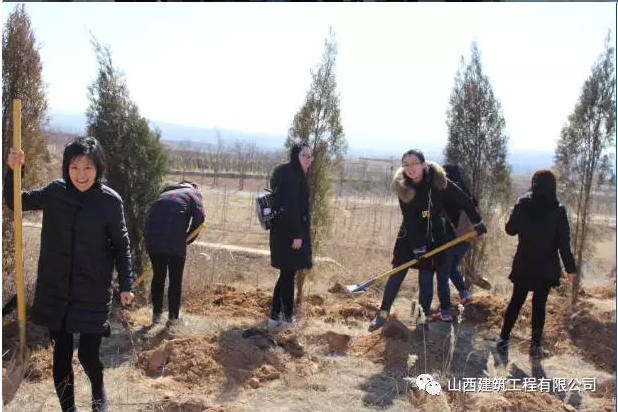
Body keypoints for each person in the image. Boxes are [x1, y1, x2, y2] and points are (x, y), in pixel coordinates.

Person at [4, 136, 134, 412]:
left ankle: (100, 403)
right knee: (61, 355)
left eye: (87, 168)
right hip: (56, 290)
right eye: (74, 168)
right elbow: (16, 202)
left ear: (98, 168)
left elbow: (122, 247)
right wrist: (14, 170)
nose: (81, 175)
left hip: (93, 291)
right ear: (66, 168)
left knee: (88, 356)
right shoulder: (55, 193)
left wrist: (126, 284)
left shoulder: (110, 202)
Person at [368, 149, 486, 332]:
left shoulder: (439, 181)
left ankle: (422, 320)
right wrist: (417, 248)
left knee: (426, 277)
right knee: (397, 273)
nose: (410, 168)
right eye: (406, 164)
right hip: (410, 235)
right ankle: (383, 314)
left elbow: (463, 199)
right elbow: (410, 219)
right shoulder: (404, 187)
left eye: (414, 163)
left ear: (423, 164)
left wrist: (478, 221)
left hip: (435, 234)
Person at [497, 169, 576, 360]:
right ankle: (535, 347)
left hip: (524, 263)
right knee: (539, 305)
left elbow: (510, 230)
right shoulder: (558, 210)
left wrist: (513, 213)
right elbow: (563, 243)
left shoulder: (523, 204)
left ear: (534, 184)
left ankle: (503, 340)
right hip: (546, 267)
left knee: (516, 301)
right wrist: (570, 269)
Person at [144, 180, 205, 325]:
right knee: (175, 280)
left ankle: (156, 316)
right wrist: (186, 239)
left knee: (158, 276)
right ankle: (173, 319)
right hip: (174, 242)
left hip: (152, 239)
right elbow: (200, 218)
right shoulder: (193, 193)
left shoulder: (165, 193)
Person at [267, 142, 313, 329]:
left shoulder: (291, 173)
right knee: (288, 276)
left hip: (282, 232)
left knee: (286, 274)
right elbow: (291, 209)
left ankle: (273, 318)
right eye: (304, 155)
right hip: (289, 234)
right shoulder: (293, 178)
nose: (308, 159)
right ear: (296, 156)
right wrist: (297, 234)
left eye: (310, 156)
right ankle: (287, 319)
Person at [442, 163, 478, 306]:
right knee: (451, 268)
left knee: (445, 271)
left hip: (450, 238)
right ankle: (464, 294)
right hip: (465, 239)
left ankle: (445, 306)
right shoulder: (466, 192)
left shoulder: (447, 192)